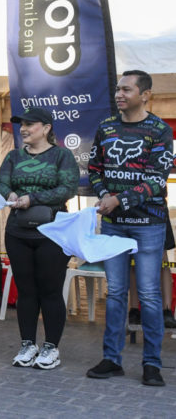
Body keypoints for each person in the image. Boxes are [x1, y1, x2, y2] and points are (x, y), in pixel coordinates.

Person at [86, 70, 173, 387]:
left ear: (145, 94)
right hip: (114, 226)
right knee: (115, 294)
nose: (119, 94)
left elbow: (156, 181)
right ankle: (112, 359)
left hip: (149, 224)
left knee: (149, 296)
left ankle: (152, 364)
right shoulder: (106, 127)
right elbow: (94, 169)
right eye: (117, 89)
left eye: (126, 89)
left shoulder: (160, 130)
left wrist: (118, 200)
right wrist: (102, 195)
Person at [0, 107, 79, 369]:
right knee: (26, 290)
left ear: (46, 128)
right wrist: (10, 195)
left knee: (50, 289)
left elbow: (68, 188)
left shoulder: (62, 155)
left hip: (52, 232)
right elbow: (1, 183)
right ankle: (28, 344)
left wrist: (33, 198)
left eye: (30, 124)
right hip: (18, 231)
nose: (24, 129)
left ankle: (51, 347)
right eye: (22, 124)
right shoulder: (13, 156)